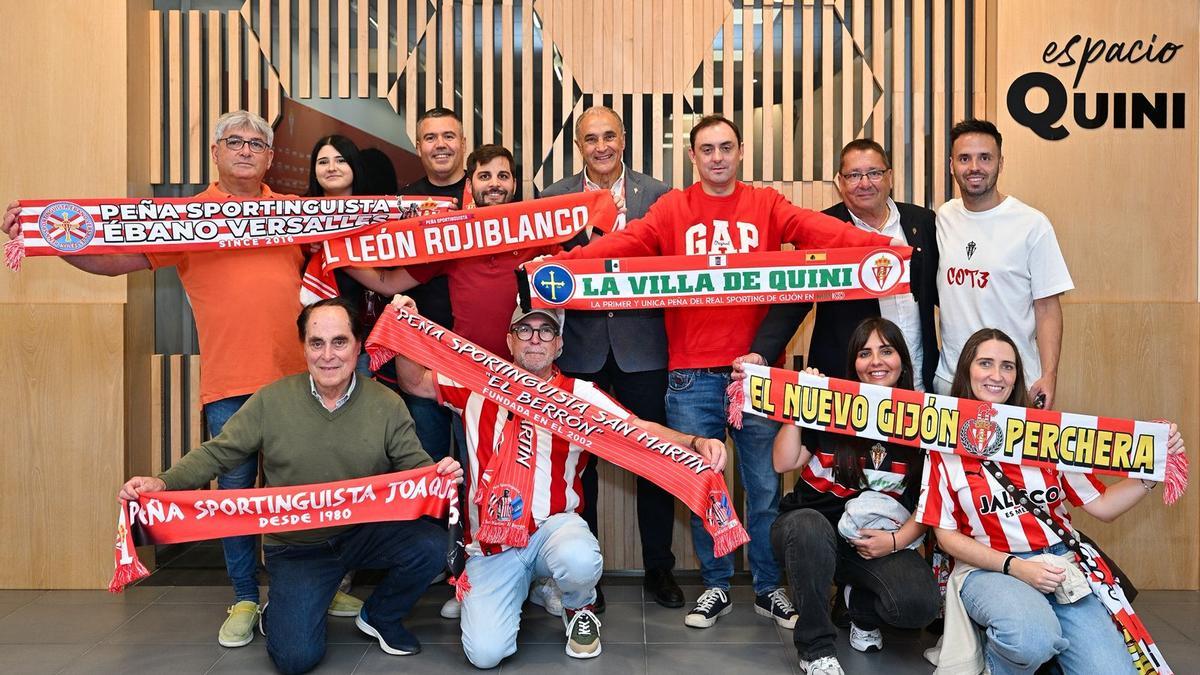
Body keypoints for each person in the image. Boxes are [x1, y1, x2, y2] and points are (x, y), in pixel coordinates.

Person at [551, 114, 902, 630]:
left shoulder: (767, 204)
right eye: (707, 149)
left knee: (762, 490)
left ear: (740, 152)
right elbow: (624, 247)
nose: (717, 157)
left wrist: (875, 247)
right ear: (693, 157)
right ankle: (715, 585)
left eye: (726, 147)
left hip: (756, 377)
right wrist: (566, 262)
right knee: (704, 489)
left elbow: (816, 230)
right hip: (689, 376)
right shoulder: (673, 207)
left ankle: (766, 587)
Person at [2, 110, 307, 647]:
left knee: (299, 497)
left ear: (269, 157)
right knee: (233, 500)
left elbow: (363, 248)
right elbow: (115, 260)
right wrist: (48, 237)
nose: (245, 150)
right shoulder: (187, 219)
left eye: (256, 143)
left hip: (298, 384)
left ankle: (308, 589)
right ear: (215, 153)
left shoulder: (298, 214)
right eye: (234, 141)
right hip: (230, 384)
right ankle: (242, 595)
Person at [117, 298, 464, 674]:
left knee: (430, 546)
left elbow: (415, 469)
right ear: (304, 348)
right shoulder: (272, 400)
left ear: (358, 345)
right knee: (295, 659)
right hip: (298, 548)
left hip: (363, 535)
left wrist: (438, 473)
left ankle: (380, 615)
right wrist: (161, 482)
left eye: (339, 342)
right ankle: (282, 607)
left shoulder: (387, 404)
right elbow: (218, 454)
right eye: (317, 343)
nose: (328, 355)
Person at [389, 297, 728, 668]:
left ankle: (578, 606)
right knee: (485, 654)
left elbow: (638, 430)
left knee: (579, 558)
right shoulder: (477, 382)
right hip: (491, 540)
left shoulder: (579, 395)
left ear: (559, 344)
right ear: (510, 339)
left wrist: (695, 442)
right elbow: (414, 381)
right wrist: (406, 325)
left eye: (546, 330)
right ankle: (521, 588)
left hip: (554, 528)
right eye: (525, 330)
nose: (535, 338)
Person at [916, 328, 1185, 675]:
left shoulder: (1048, 435)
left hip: (1061, 566)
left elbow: (1102, 506)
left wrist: (1152, 471)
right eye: (986, 363)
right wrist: (1016, 567)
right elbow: (947, 538)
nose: (997, 375)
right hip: (989, 569)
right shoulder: (945, 443)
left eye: (1008, 367)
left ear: (1017, 376)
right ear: (967, 369)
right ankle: (1002, 655)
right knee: (1032, 638)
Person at [538, 105, 682, 609]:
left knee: (654, 458)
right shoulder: (553, 197)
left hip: (643, 347)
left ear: (623, 140)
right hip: (580, 348)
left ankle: (659, 569)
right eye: (590, 138)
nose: (601, 147)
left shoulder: (659, 195)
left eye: (609, 137)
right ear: (579, 145)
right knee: (580, 468)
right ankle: (585, 578)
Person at [759, 318, 939, 675]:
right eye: (864, 353)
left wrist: (895, 541)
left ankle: (858, 603)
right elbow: (783, 462)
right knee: (808, 527)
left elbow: (930, 502)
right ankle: (816, 650)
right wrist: (800, 401)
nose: (876, 362)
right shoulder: (832, 404)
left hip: (872, 544)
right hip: (808, 534)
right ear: (853, 363)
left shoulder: (922, 418)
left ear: (903, 359)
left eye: (886, 351)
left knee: (918, 605)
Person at [748, 139, 939, 391]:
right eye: (854, 175)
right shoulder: (822, 227)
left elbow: (944, 290)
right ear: (840, 182)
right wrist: (761, 354)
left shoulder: (923, 222)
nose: (865, 183)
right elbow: (794, 301)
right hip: (846, 389)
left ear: (890, 177)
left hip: (917, 382)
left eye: (874, 173)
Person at [934, 119, 1074, 408]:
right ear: (951, 165)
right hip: (953, 381)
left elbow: (1047, 308)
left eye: (985, 157)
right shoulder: (944, 217)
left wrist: (1049, 375)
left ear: (1000, 163)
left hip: (1013, 383)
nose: (974, 167)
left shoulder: (1032, 224)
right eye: (964, 158)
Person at [371, 107, 469, 465]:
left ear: (463, 142)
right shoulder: (401, 205)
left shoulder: (487, 199)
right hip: (419, 357)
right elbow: (383, 269)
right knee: (427, 464)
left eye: (448, 136)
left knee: (479, 465)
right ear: (418, 147)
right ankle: (432, 525)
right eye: (430, 138)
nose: (440, 145)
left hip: (476, 355)